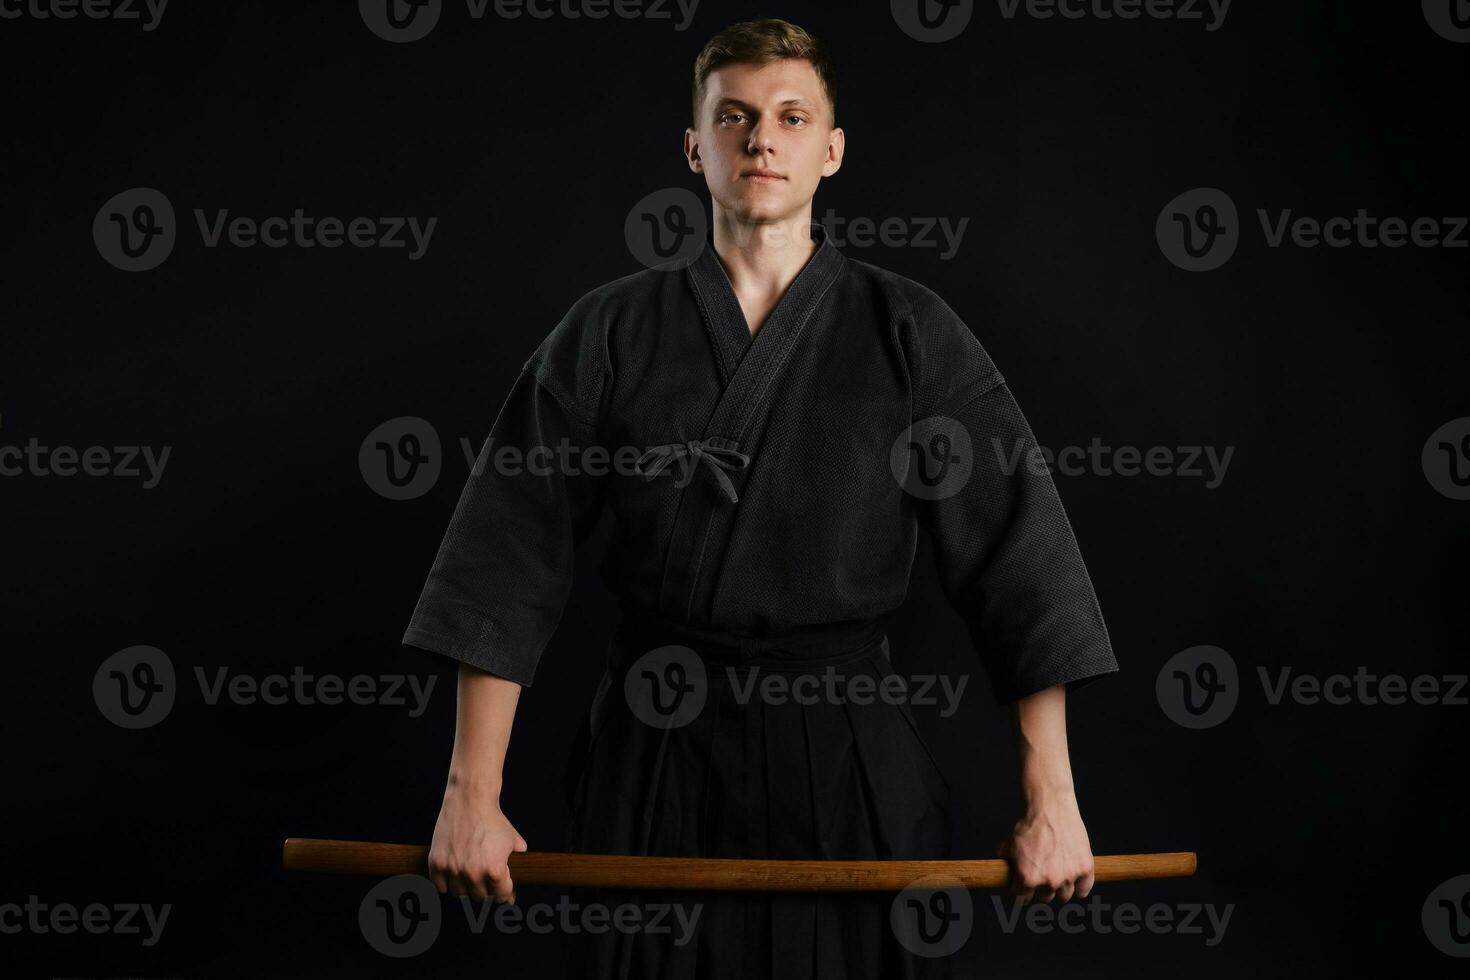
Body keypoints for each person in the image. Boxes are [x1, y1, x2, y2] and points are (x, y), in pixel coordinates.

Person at [404, 17, 1119, 978]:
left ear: (831, 149)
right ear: (696, 145)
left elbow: (1022, 565)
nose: (760, 139)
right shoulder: (608, 333)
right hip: (654, 755)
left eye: (790, 116)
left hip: (850, 760)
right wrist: (470, 794)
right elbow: (505, 559)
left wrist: (1054, 801)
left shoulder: (909, 331)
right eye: (734, 116)